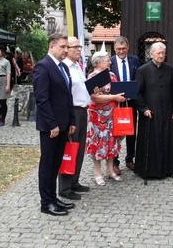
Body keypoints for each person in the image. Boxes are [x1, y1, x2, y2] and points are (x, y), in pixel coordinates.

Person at [33, 33, 76, 216]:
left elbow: (68, 96)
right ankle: (46, 203)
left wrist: (71, 120)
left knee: (56, 163)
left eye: (67, 47)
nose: (66, 50)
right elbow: (42, 99)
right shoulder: (43, 66)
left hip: (63, 125)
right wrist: (53, 125)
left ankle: (53, 198)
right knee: (47, 164)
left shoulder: (62, 68)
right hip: (51, 127)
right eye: (63, 47)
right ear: (52, 46)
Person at [135, 42, 173, 179]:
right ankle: (148, 170)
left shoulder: (170, 70)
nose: (161, 55)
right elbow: (137, 93)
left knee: (167, 139)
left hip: (166, 112)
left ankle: (168, 169)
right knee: (151, 141)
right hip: (150, 113)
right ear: (151, 54)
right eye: (158, 53)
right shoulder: (143, 70)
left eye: (163, 53)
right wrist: (144, 109)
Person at [86, 49, 126, 186]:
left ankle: (110, 170)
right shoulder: (92, 77)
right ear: (98, 63)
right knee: (97, 144)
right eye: (107, 60)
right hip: (97, 117)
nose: (110, 61)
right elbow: (95, 98)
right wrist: (114, 97)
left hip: (111, 116)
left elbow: (116, 90)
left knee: (111, 143)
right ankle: (97, 172)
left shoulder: (112, 75)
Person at [58, 36, 91, 200]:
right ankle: (64, 187)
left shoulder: (78, 65)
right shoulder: (64, 67)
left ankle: (74, 181)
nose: (79, 49)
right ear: (66, 49)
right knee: (69, 149)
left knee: (79, 149)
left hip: (83, 111)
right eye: (75, 47)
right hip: (73, 112)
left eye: (80, 46)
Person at [110, 36, 141, 174]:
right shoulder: (110, 62)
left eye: (123, 49)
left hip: (131, 101)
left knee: (131, 130)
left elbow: (138, 78)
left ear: (127, 48)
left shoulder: (134, 60)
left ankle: (130, 159)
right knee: (116, 132)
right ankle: (115, 162)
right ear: (114, 49)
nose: (121, 51)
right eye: (118, 49)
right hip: (115, 102)